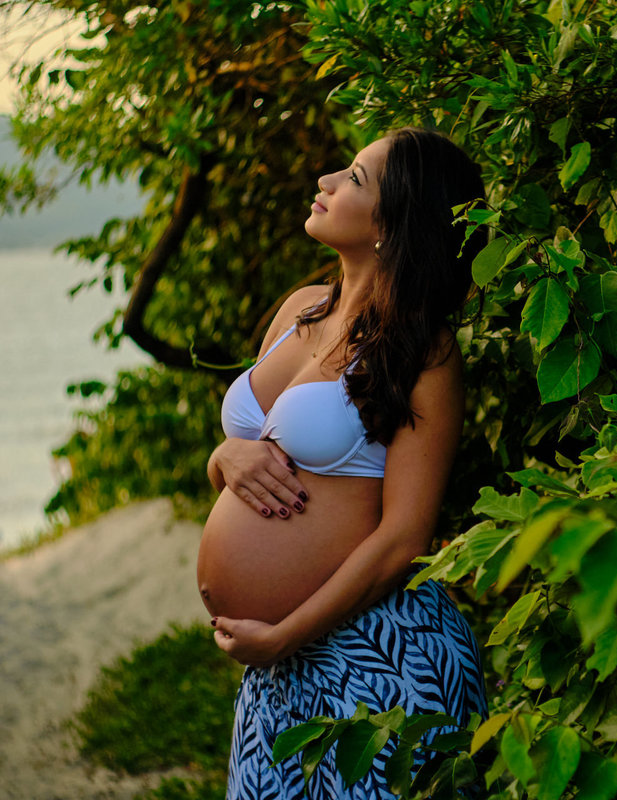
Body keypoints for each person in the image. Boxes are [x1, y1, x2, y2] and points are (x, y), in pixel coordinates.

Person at [196, 127, 489, 798]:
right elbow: (251, 455)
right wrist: (224, 456)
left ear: (395, 223)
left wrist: (283, 637)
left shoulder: (425, 352)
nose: (327, 180)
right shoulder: (301, 308)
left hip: (378, 657)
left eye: (355, 178)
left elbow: (404, 539)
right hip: (277, 673)